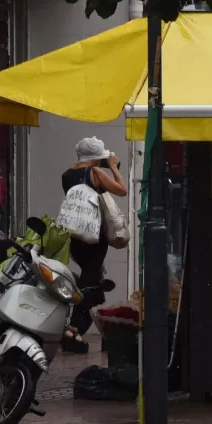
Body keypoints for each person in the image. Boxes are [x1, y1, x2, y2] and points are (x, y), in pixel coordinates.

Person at [60, 137, 127, 353]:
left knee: (92, 280)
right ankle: (72, 330)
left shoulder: (67, 175)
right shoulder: (95, 173)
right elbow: (121, 190)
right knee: (92, 285)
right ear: (96, 158)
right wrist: (114, 167)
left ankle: (75, 331)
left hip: (75, 237)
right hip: (94, 237)